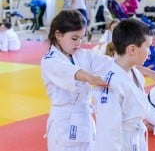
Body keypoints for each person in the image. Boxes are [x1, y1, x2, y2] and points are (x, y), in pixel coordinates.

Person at [40, 10, 114, 151]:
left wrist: (140, 68)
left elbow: (111, 63)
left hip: (85, 119)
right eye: (74, 38)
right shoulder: (49, 61)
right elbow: (69, 71)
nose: (79, 43)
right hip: (64, 122)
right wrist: (91, 78)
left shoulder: (83, 55)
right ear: (58, 35)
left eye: (82, 38)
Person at [94, 18, 152, 151]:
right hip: (119, 143)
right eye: (148, 46)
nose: (149, 53)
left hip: (134, 138)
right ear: (132, 49)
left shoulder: (135, 74)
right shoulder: (110, 83)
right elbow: (107, 132)